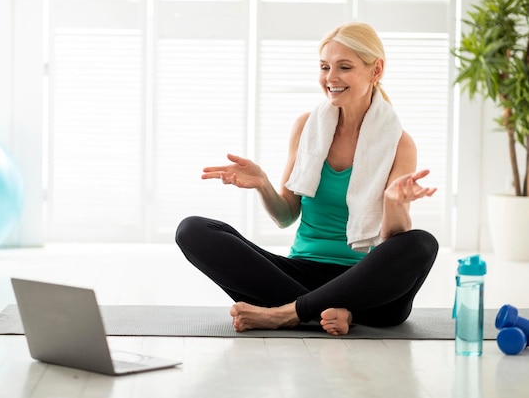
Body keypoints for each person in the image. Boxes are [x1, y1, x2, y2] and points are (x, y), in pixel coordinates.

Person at [175, 22, 439, 336]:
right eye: (325, 67)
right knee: (192, 230)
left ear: (376, 70)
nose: (331, 78)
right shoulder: (306, 127)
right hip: (297, 274)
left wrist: (393, 204)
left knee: (420, 244)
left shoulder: (399, 143)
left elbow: (392, 243)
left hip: (363, 281)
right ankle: (326, 314)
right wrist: (262, 183)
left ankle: (282, 314)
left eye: (344, 67)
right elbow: (286, 215)